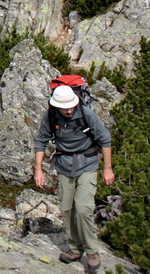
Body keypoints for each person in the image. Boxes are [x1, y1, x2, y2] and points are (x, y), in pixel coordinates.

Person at [33, 85, 114, 271]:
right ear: (57, 106)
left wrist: (107, 168)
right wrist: (38, 169)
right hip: (64, 164)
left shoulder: (86, 114)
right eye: (65, 107)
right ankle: (75, 249)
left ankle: (92, 251)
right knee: (67, 208)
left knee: (83, 208)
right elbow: (41, 140)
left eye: (71, 106)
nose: (69, 110)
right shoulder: (51, 116)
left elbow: (105, 139)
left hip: (87, 162)